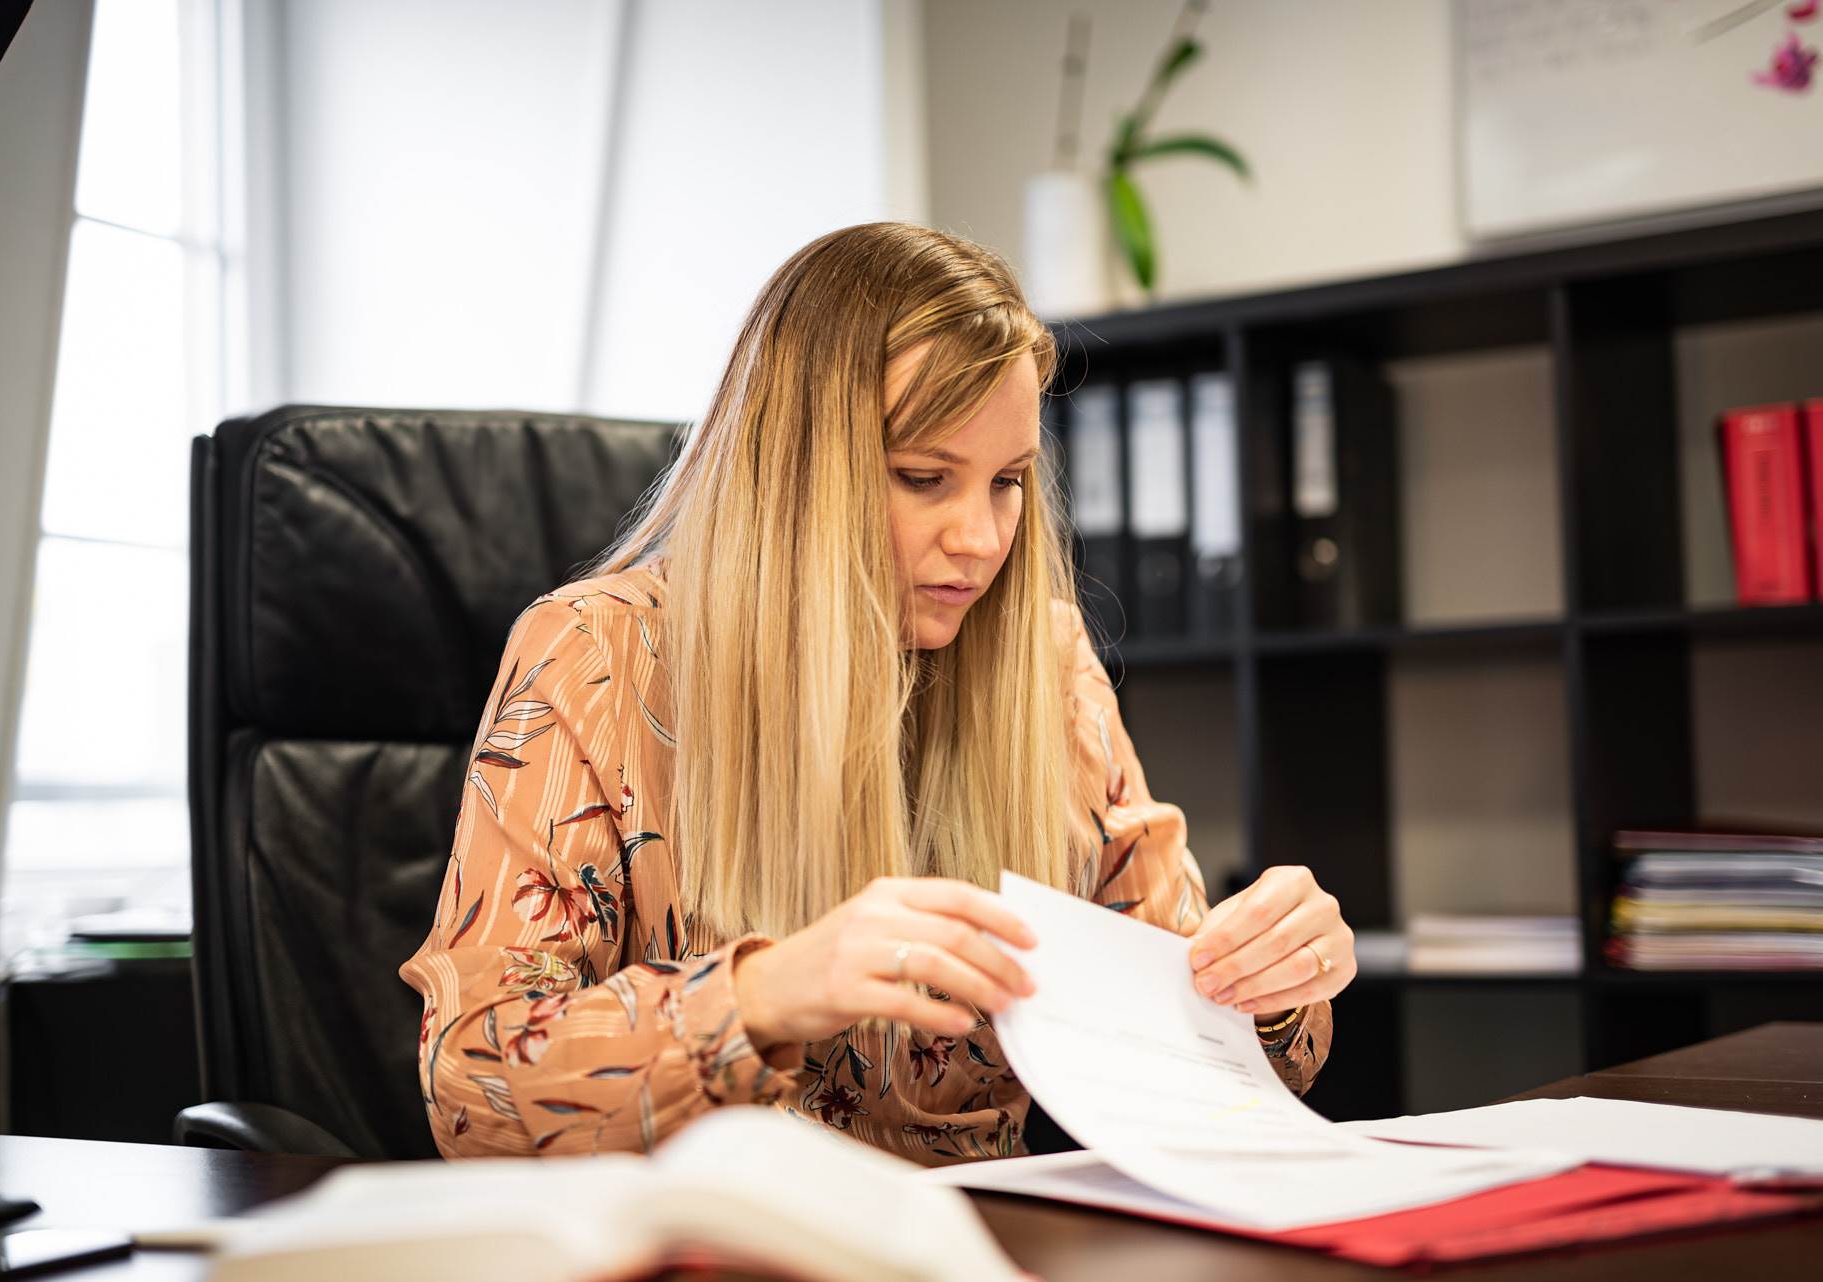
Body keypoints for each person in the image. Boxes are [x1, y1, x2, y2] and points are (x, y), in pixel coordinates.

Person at [399, 222, 1354, 1163]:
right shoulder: (599, 655)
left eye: (1008, 482)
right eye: (923, 477)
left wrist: (1270, 985)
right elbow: (472, 1086)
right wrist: (765, 994)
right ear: (796, 474)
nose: (981, 538)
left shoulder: (1047, 662)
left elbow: (1193, 1042)